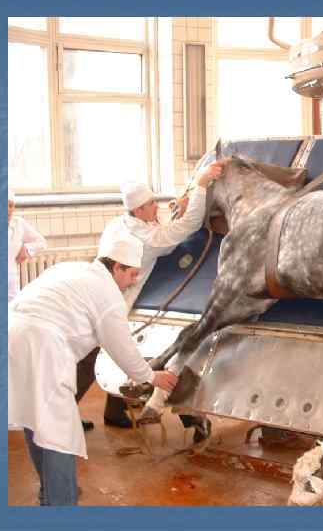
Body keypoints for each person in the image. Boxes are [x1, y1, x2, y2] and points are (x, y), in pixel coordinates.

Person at [8, 234, 178, 505]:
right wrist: (151, 376)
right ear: (117, 267)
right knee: (58, 433)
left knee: (33, 418)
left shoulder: (70, 267)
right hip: (42, 347)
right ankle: (61, 501)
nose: (133, 281)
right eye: (131, 274)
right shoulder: (108, 294)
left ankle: (50, 491)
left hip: (9, 335)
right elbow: (121, 347)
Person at [77, 161, 224, 434]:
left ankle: (113, 410)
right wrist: (201, 185)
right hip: (114, 301)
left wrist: (177, 206)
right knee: (94, 352)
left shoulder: (119, 224)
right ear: (138, 210)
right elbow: (187, 226)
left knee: (98, 350)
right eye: (151, 204)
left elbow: (157, 227)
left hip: (93, 293)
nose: (157, 207)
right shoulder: (146, 237)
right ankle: (64, 414)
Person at [8, 189, 47, 302]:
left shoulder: (18, 223)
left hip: (11, 282)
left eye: (11, 206)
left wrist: (26, 249)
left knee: (13, 310)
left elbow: (41, 242)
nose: (8, 210)